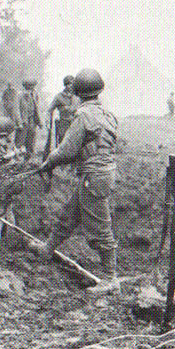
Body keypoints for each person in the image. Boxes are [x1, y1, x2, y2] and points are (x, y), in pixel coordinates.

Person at [32, 68, 121, 295]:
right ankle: (47, 249)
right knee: (70, 214)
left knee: (101, 229)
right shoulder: (107, 114)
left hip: (94, 176)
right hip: (101, 173)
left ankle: (110, 279)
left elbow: (67, 150)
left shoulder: (83, 116)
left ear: (78, 92)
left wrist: (49, 163)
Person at [47, 75, 82, 145]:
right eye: (68, 84)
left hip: (75, 123)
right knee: (63, 142)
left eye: (72, 84)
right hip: (63, 123)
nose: (70, 86)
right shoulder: (59, 96)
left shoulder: (78, 96)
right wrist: (47, 122)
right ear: (65, 85)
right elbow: (50, 110)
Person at [18, 80, 42, 157]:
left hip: (32, 120)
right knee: (21, 140)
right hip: (23, 120)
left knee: (31, 139)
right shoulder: (20, 95)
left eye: (32, 87)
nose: (31, 89)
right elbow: (17, 110)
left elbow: (37, 108)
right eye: (29, 87)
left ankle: (29, 157)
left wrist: (39, 122)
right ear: (25, 87)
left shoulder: (35, 94)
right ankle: (18, 157)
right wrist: (19, 122)